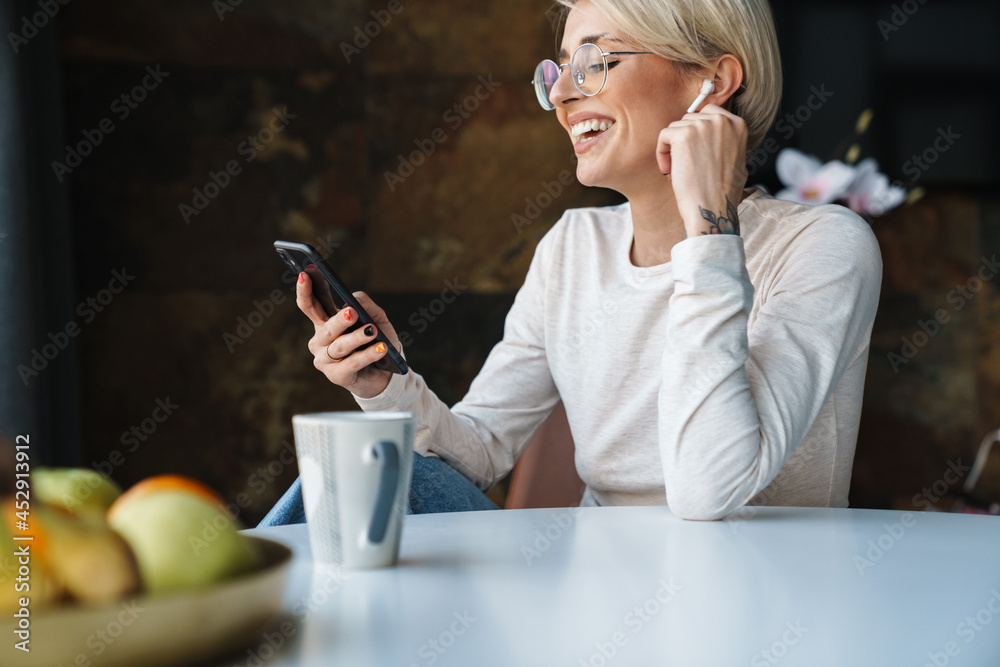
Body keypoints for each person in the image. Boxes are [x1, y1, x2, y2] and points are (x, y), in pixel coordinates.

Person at [259, 0, 882, 526]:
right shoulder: (571, 248)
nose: (559, 93)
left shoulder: (823, 245)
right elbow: (476, 456)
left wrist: (711, 231)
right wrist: (384, 385)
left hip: (758, 607)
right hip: (596, 601)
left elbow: (709, 490)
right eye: (558, 70)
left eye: (596, 61)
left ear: (711, 83)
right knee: (351, 474)